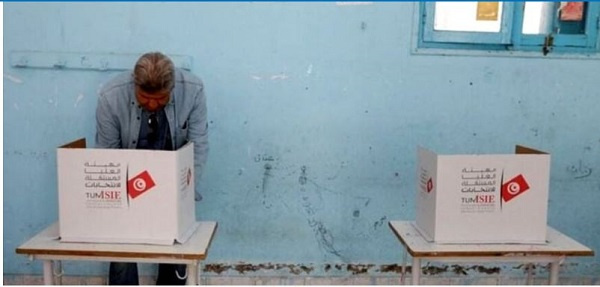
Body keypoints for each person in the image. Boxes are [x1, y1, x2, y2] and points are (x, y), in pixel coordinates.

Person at [95, 52, 208, 285]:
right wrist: (121, 202)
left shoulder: (194, 90)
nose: (153, 104)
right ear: (135, 85)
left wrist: (184, 193)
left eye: (161, 98)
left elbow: (198, 147)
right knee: (121, 251)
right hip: (125, 181)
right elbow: (108, 156)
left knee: (175, 250)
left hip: (173, 181)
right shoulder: (110, 97)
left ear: (173, 88)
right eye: (145, 98)